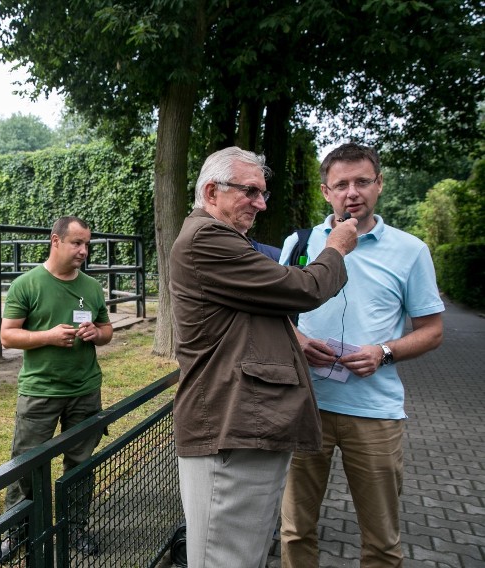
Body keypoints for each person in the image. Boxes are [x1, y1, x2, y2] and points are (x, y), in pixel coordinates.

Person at [169, 146, 359, 568]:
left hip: (241, 425)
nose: (261, 203)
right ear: (213, 191)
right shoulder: (207, 237)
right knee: (228, 558)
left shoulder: (219, 238)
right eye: (251, 191)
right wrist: (336, 248)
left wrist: (294, 339)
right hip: (231, 426)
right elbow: (303, 288)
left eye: (264, 193)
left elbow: (243, 311)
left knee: (242, 553)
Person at [279, 142, 444, 567]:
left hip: (375, 413)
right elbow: (274, 316)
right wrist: (295, 340)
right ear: (325, 192)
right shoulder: (299, 244)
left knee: (382, 541)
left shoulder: (411, 251)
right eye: (341, 184)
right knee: (296, 532)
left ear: (379, 185)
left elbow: (432, 331)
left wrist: (384, 352)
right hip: (305, 406)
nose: (352, 192)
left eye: (362, 182)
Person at [0, 215, 113, 562]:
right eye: (77, 243)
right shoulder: (27, 284)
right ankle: (17, 531)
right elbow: (8, 335)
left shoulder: (91, 286)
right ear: (56, 241)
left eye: (86, 244)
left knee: (80, 463)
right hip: (40, 391)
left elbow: (106, 330)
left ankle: (75, 527)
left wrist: (96, 334)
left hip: (84, 389)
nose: (84, 251)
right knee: (26, 465)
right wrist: (46, 336)